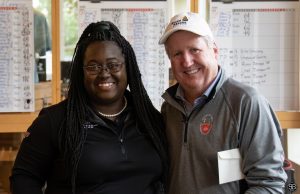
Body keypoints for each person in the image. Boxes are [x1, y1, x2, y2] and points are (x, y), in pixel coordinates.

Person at [10, 21, 168, 194]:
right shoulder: (54, 121)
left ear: (128, 68)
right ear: (81, 72)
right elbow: (23, 178)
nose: (104, 73)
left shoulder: (149, 119)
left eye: (114, 65)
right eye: (93, 67)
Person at [158, 12, 287, 194]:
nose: (186, 61)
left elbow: (269, 184)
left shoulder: (247, 103)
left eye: (194, 49)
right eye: (177, 53)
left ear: (215, 51)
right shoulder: (168, 107)